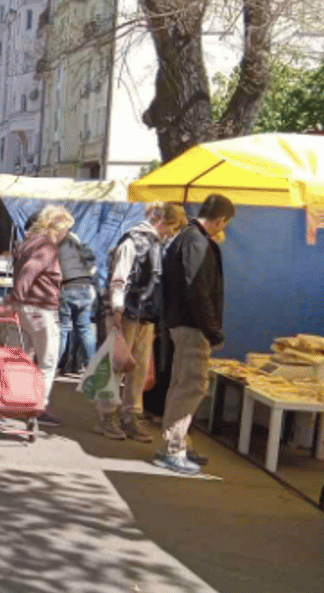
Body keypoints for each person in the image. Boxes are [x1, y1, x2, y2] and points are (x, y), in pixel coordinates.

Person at [155, 194, 235, 475]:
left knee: (181, 384)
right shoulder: (196, 241)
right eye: (225, 223)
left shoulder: (186, 237)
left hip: (182, 324)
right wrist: (213, 331)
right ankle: (173, 449)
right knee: (191, 386)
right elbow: (197, 288)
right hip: (193, 326)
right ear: (220, 220)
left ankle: (176, 442)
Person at [95, 202, 188, 442]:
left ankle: (131, 414)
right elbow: (119, 278)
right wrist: (117, 311)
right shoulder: (132, 241)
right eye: (173, 228)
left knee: (139, 367)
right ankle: (107, 414)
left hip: (144, 315)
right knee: (116, 363)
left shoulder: (157, 244)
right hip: (126, 312)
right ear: (163, 222)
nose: (172, 233)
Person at [11, 205, 74, 427]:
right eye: (66, 229)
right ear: (58, 227)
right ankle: (38, 407)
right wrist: (18, 297)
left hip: (26, 308)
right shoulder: (46, 246)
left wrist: (16, 301)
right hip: (40, 309)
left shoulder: (28, 242)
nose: (67, 233)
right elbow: (29, 270)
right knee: (48, 362)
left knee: (20, 357)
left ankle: (13, 401)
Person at [56, 228, 99, 376]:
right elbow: (93, 267)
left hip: (68, 288)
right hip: (86, 288)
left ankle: (53, 365)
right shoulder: (81, 245)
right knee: (85, 329)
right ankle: (92, 367)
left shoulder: (59, 245)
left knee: (63, 329)